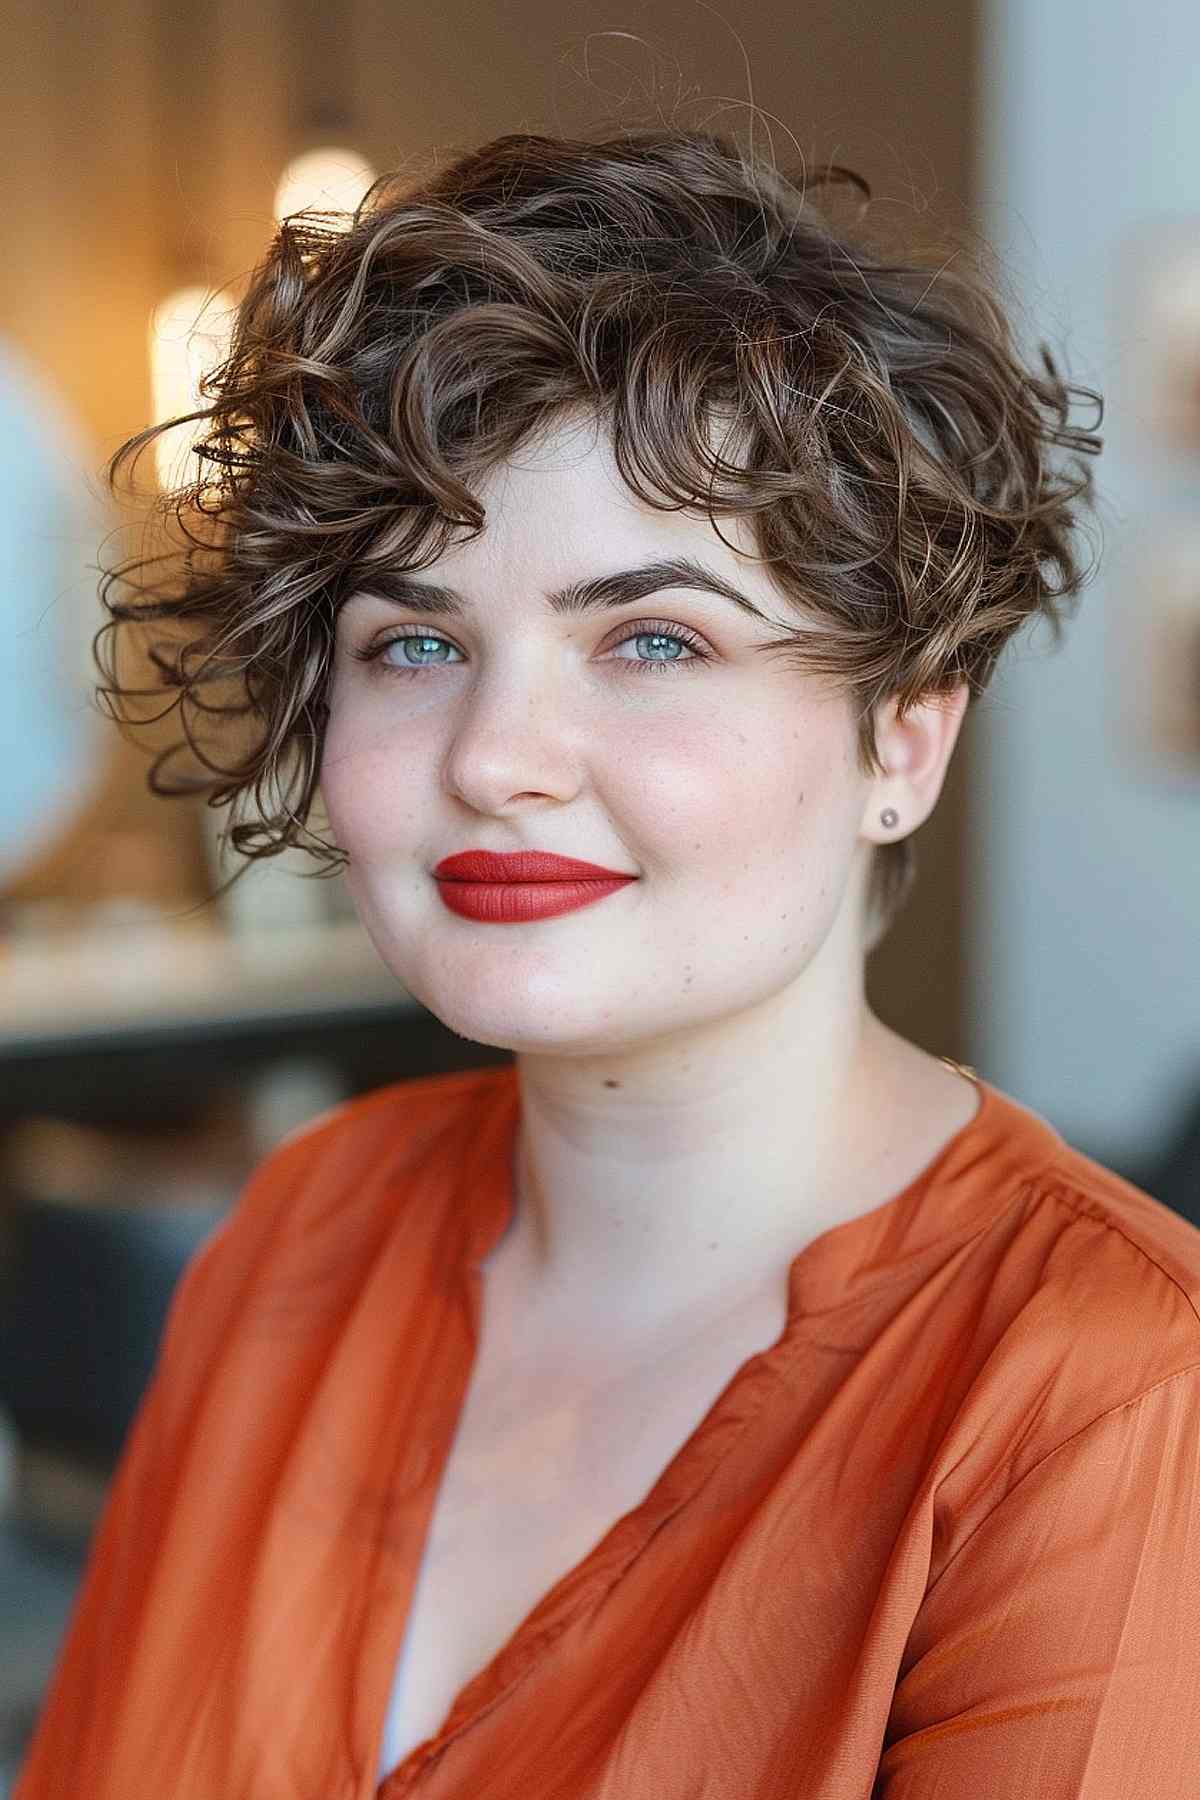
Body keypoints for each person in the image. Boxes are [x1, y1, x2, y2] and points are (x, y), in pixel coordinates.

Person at [15, 124, 1200, 1800]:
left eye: (653, 638)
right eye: (416, 640)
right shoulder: (301, 1235)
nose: (500, 754)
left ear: (903, 744)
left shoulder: (1111, 1403)